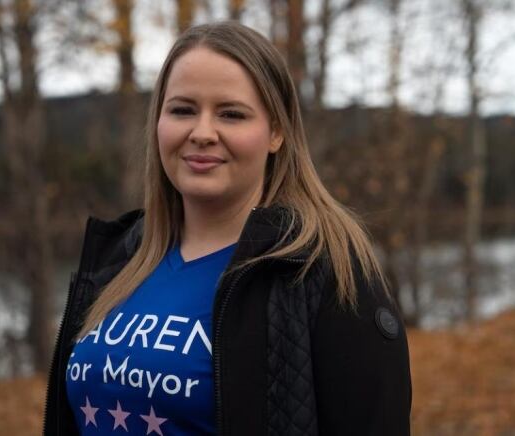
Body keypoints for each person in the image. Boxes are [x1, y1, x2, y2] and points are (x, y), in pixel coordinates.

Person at [43, 21, 411, 436]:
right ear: (158, 122)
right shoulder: (119, 257)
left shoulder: (324, 271)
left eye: (231, 114)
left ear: (276, 132)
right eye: (182, 110)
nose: (201, 133)